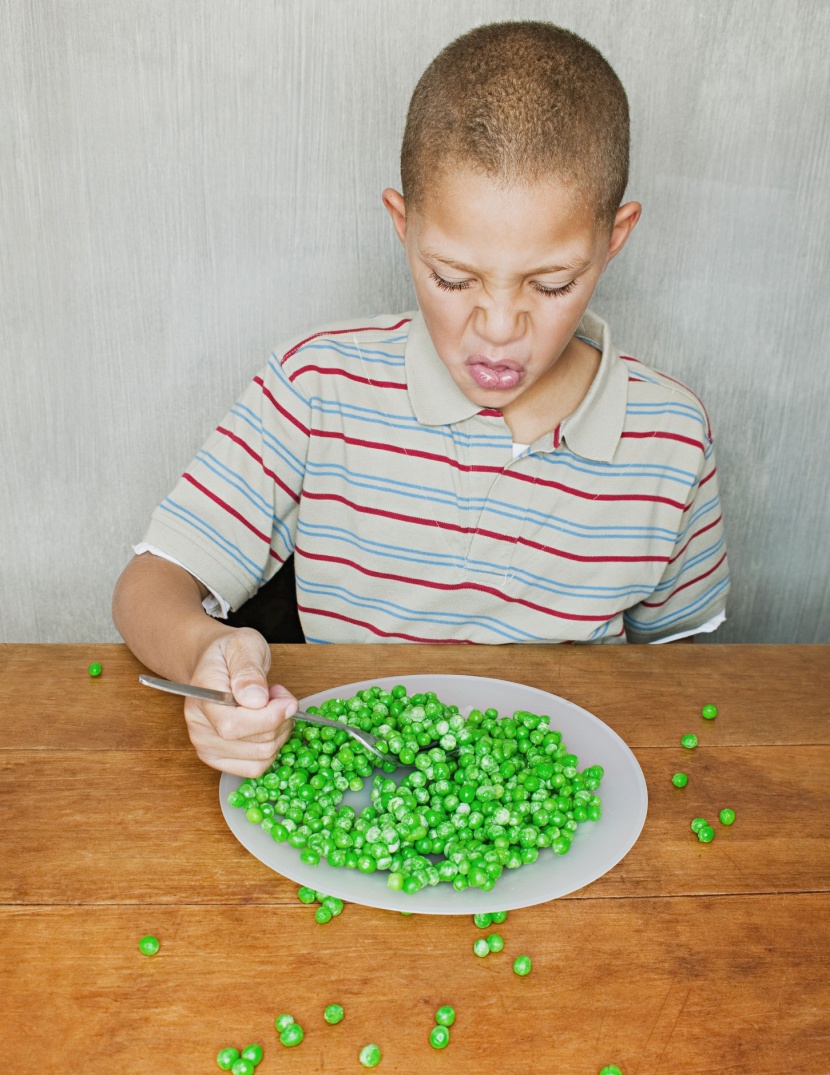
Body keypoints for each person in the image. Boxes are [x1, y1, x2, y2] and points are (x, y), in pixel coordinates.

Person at [113, 20, 729, 777]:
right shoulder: (318, 387)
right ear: (403, 228)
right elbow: (151, 584)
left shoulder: (672, 439)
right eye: (454, 278)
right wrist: (209, 656)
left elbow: (683, 667)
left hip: (555, 796)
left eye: (553, 283)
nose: (499, 329)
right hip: (354, 786)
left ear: (614, 239)